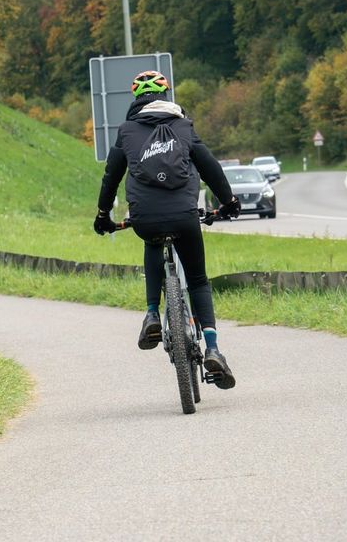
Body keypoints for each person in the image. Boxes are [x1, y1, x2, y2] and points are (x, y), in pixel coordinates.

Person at [92, 70, 240, 389]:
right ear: (167, 97)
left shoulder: (127, 131)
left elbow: (111, 176)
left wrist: (103, 214)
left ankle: (151, 315)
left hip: (145, 217)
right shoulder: (183, 127)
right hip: (185, 217)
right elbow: (210, 166)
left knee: (151, 240)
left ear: (136, 101)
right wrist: (228, 201)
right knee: (198, 279)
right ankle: (213, 348)